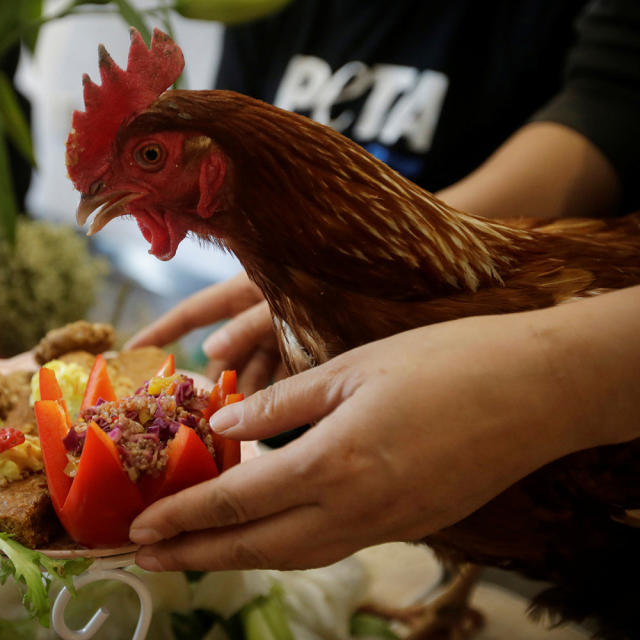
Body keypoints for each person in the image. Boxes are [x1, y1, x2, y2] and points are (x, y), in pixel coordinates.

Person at [122, 0, 640, 572]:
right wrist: (332, 269)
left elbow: (617, 99)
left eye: (146, 158)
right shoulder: (257, 10)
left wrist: (548, 379)